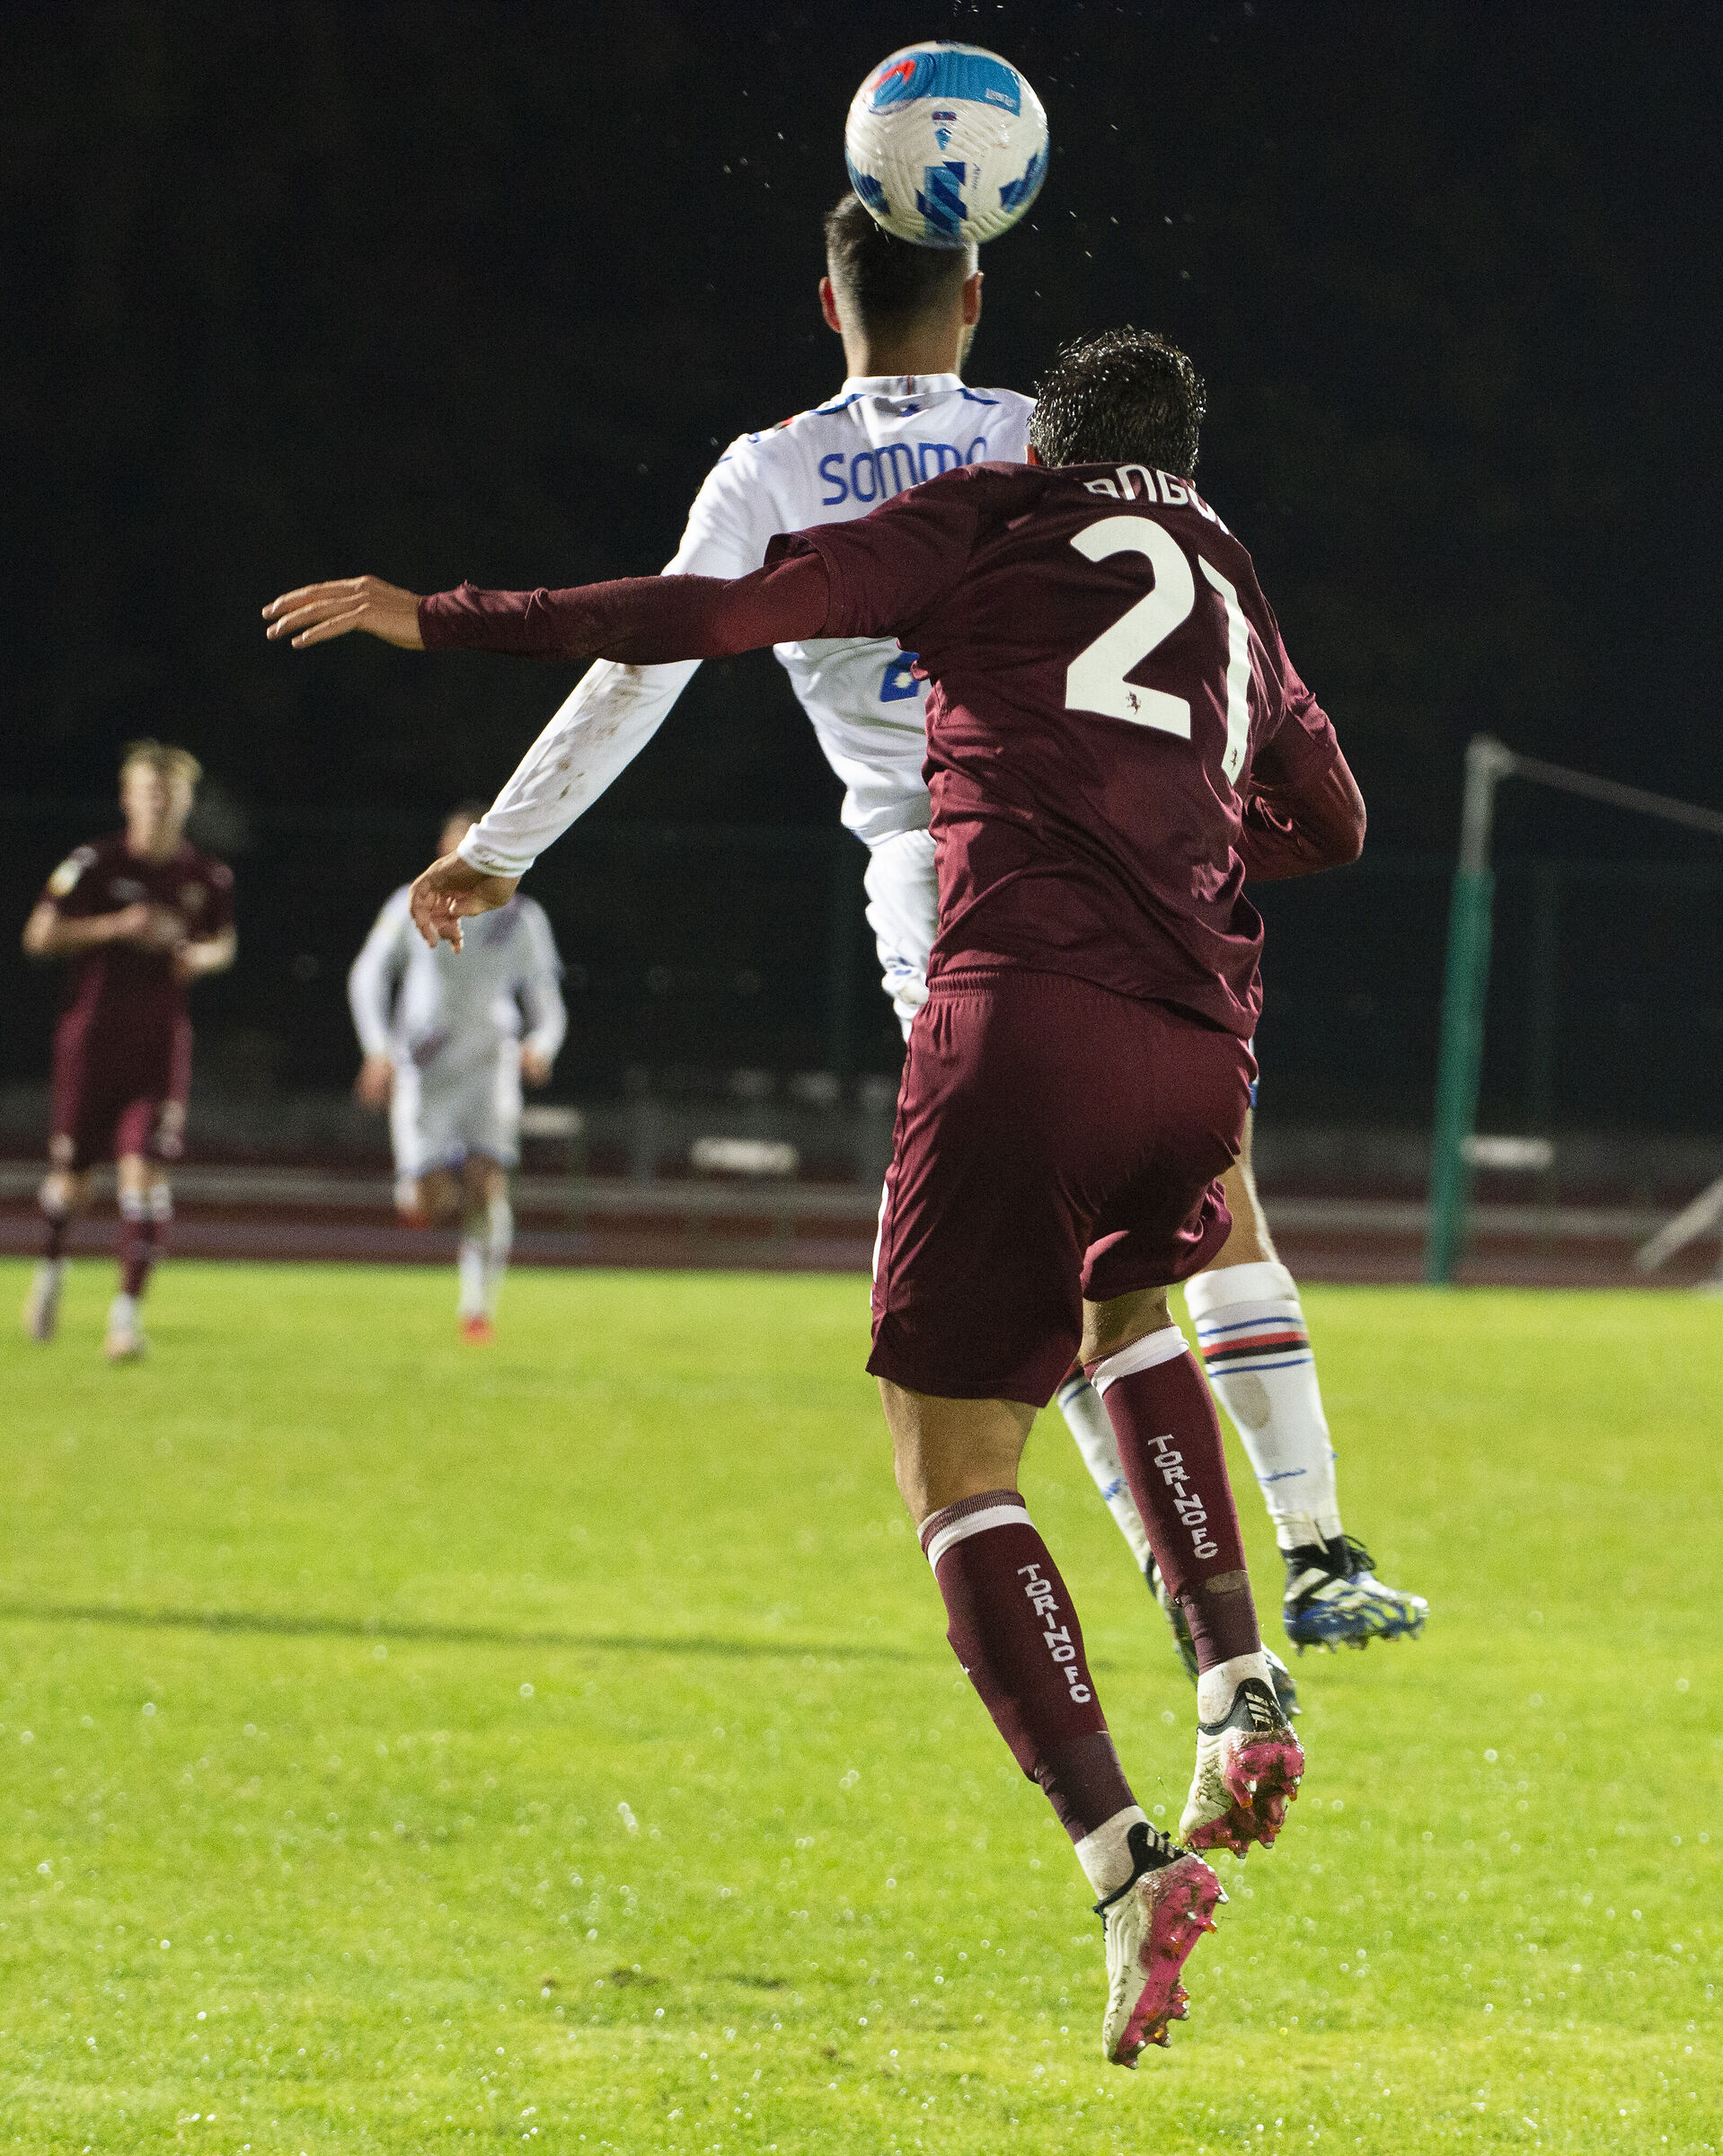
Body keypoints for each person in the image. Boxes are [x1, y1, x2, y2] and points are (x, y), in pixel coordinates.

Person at [264, 330, 1363, 2066]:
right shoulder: (1227, 569)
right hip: (1199, 1051)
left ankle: (1125, 1864)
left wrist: (442, 617)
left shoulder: (992, 514)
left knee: (954, 1463)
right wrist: (1184, 856)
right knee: (1130, 1312)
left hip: (1023, 1012)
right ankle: (1238, 1678)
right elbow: (1338, 821)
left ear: (1039, 439)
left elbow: (706, 615)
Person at [342, 192, 1422, 1670]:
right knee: (1201, 1195)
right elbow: (1249, 698)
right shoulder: (1048, 446)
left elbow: (659, 652)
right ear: (976, 292)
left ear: (825, 302)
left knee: (1058, 1265)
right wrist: (1202, 836)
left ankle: (1206, 1622)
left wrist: (502, 838)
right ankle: (1309, 1549)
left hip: (948, 885)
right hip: (1128, 847)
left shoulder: (777, 468)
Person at [21, 740, 235, 1359]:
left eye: (170, 793)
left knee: (145, 1174)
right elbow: (39, 934)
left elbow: (223, 943)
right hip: (90, 1041)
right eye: (148, 791)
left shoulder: (207, 876)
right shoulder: (92, 862)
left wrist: (199, 957)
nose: (159, 803)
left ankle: (125, 1320)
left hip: (159, 1045)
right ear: (127, 798)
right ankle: (51, 1275)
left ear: (187, 801)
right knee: (73, 1181)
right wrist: (118, 926)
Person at [347, 803, 565, 1342]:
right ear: (445, 852)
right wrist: (376, 1049)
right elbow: (368, 974)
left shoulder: (521, 917)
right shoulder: (411, 901)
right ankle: (435, 1181)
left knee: (488, 1185)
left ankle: (477, 1310)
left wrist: (541, 1045)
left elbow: (546, 1001)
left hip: (490, 1063)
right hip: (424, 1065)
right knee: (427, 1201)